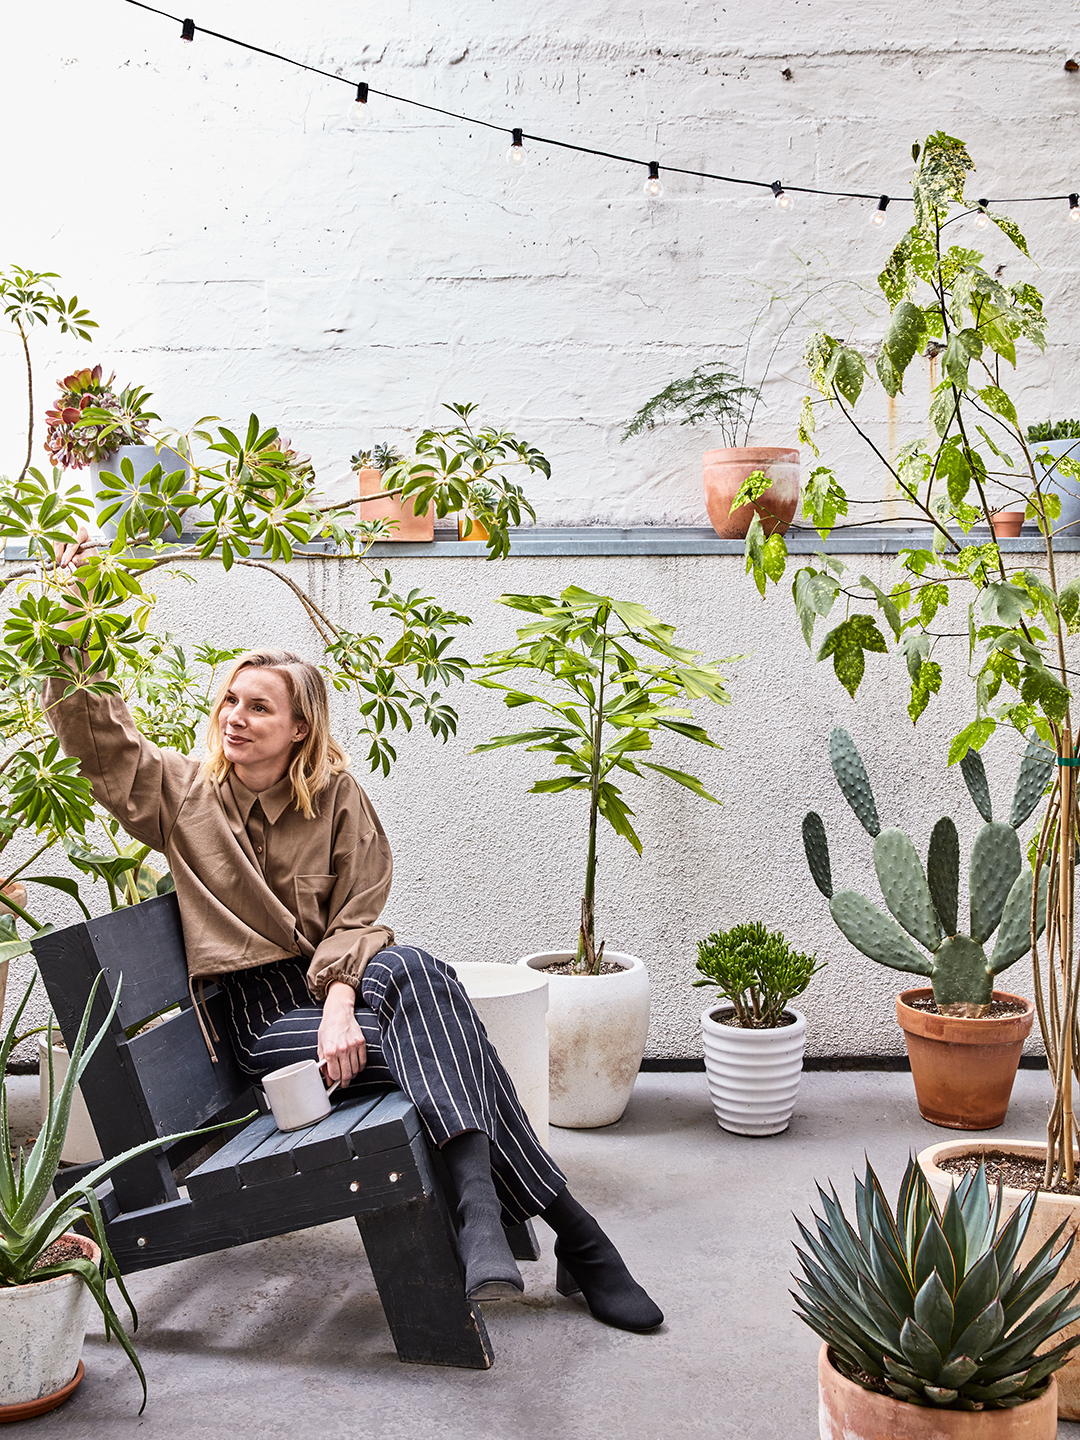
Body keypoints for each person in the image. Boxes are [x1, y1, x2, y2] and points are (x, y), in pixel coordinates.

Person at [45, 527, 663, 1333]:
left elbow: (361, 917)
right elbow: (99, 739)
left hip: (333, 994)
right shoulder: (180, 795)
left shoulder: (336, 799)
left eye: (259, 706)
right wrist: (73, 611)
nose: (235, 718)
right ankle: (569, 1234)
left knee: (414, 973)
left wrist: (338, 1002)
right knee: (442, 1014)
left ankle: (495, 1214)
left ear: (300, 726)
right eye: (230, 700)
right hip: (258, 1020)